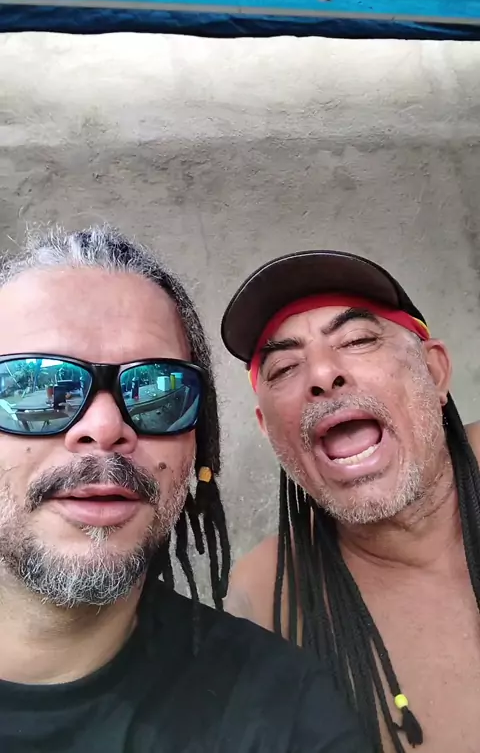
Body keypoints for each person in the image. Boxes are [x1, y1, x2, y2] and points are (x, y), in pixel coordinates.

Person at [0, 229, 369, 753]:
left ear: (196, 448)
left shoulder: (287, 715)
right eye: (34, 388)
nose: (104, 428)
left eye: (157, 390)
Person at [221, 249, 480, 753]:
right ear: (268, 429)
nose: (322, 373)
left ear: (434, 371)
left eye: (358, 340)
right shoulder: (265, 600)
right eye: (284, 367)